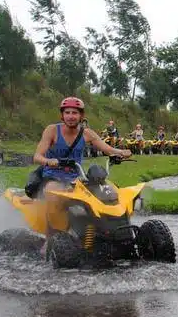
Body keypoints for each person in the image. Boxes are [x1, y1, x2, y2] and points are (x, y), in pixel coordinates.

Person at [31, 97, 132, 256]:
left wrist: (121, 153)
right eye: (67, 112)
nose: (71, 116)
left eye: (74, 113)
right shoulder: (52, 130)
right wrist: (48, 161)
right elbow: (37, 156)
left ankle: (104, 232)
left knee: (105, 192)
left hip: (76, 178)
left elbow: (107, 148)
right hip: (53, 176)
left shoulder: (87, 133)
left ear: (81, 116)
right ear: (62, 115)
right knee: (54, 195)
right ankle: (49, 238)